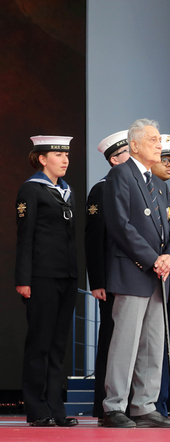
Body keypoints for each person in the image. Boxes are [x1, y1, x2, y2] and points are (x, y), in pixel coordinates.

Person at [102, 119, 170, 428]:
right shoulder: (121, 175)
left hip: (158, 275)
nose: (159, 144)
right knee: (126, 342)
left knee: (152, 343)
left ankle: (144, 405)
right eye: (153, 139)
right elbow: (121, 225)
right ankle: (115, 406)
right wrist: (153, 259)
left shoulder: (159, 184)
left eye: (159, 139)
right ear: (134, 145)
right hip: (134, 271)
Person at [15, 135, 79, 427]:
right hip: (40, 276)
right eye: (57, 154)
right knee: (39, 342)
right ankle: (36, 407)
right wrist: (23, 279)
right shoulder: (31, 190)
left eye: (66, 154)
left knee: (58, 344)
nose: (65, 159)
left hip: (66, 276)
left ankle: (56, 407)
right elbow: (25, 237)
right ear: (42, 158)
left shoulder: (67, 191)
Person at [85, 130, 130, 424]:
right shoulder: (101, 189)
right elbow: (94, 238)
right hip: (111, 280)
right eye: (127, 151)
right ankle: (104, 405)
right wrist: (98, 281)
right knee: (111, 339)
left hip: (130, 278)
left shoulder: (133, 185)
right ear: (114, 159)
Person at [150, 134, 170, 417]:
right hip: (148, 275)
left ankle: (162, 402)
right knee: (152, 346)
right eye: (163, 159)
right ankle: (153, 403)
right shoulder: (147, 191)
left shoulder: (167, 194)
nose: (168, 164)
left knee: (166, 345)